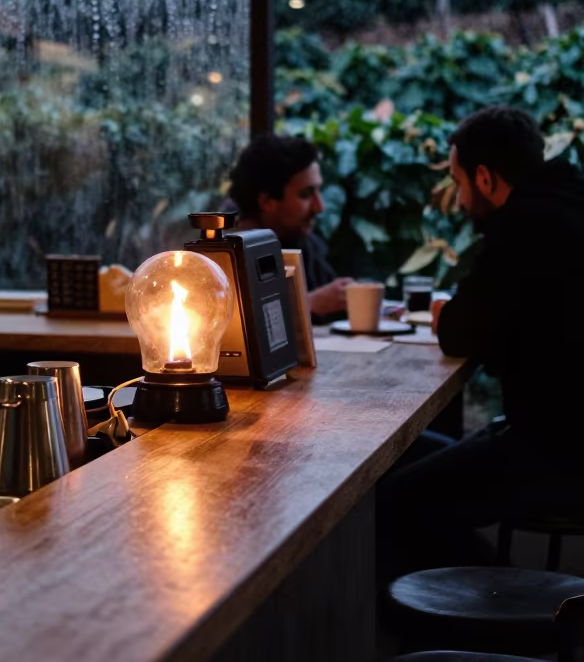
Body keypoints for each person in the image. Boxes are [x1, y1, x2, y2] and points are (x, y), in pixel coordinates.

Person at [378, 105, 584, 576]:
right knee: (413, 453)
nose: (460, 196)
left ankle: (480, 626)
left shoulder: (525, 227)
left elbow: (459, 331)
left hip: (559, 454)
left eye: (458, 182)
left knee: (393, 504)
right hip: (559, 435)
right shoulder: (569, 202)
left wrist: (451, 312)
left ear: (486, 178)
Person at [227, 134, 351, 319]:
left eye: (318, 191)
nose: (320, 207)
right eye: (306, 194)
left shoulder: (301, 242)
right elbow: (234, 323)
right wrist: (308, 304)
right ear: (267, 202)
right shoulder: (230, 258)